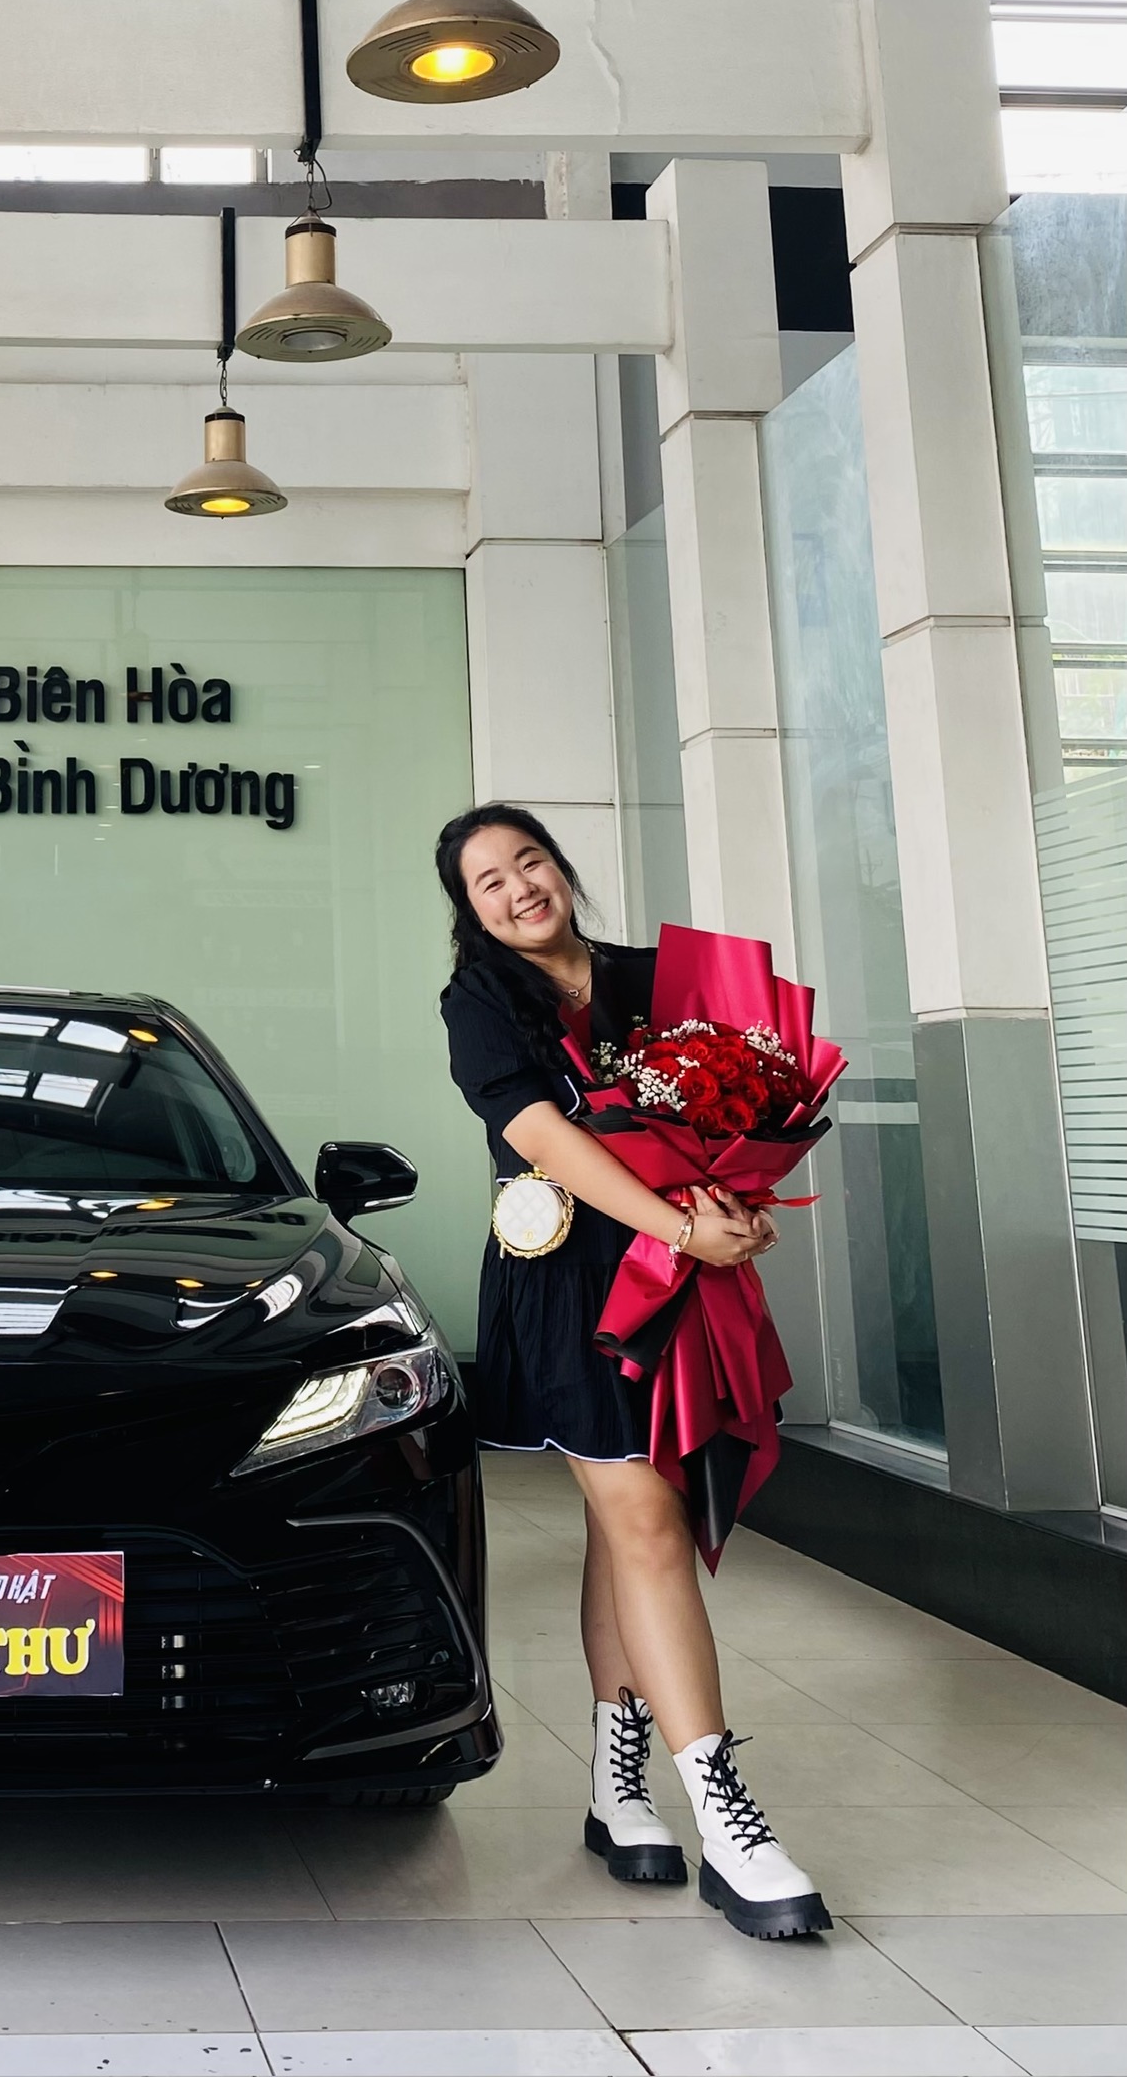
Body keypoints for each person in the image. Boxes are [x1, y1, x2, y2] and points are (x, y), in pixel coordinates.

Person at [435, 801, 831, 1942]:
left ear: (560, 868)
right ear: (470, 912)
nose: (519, 887)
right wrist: (680, 1223)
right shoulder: (479, 1001)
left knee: (629, 1529)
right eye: (489, 881)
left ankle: (618, 1786)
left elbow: (740, 1108)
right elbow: (542, 1136)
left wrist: (741, 1210)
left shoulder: (658, 979)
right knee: (646, 1521)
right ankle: (727, 1820)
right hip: (574, 1285)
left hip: (681, 1273)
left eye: (529, 862)